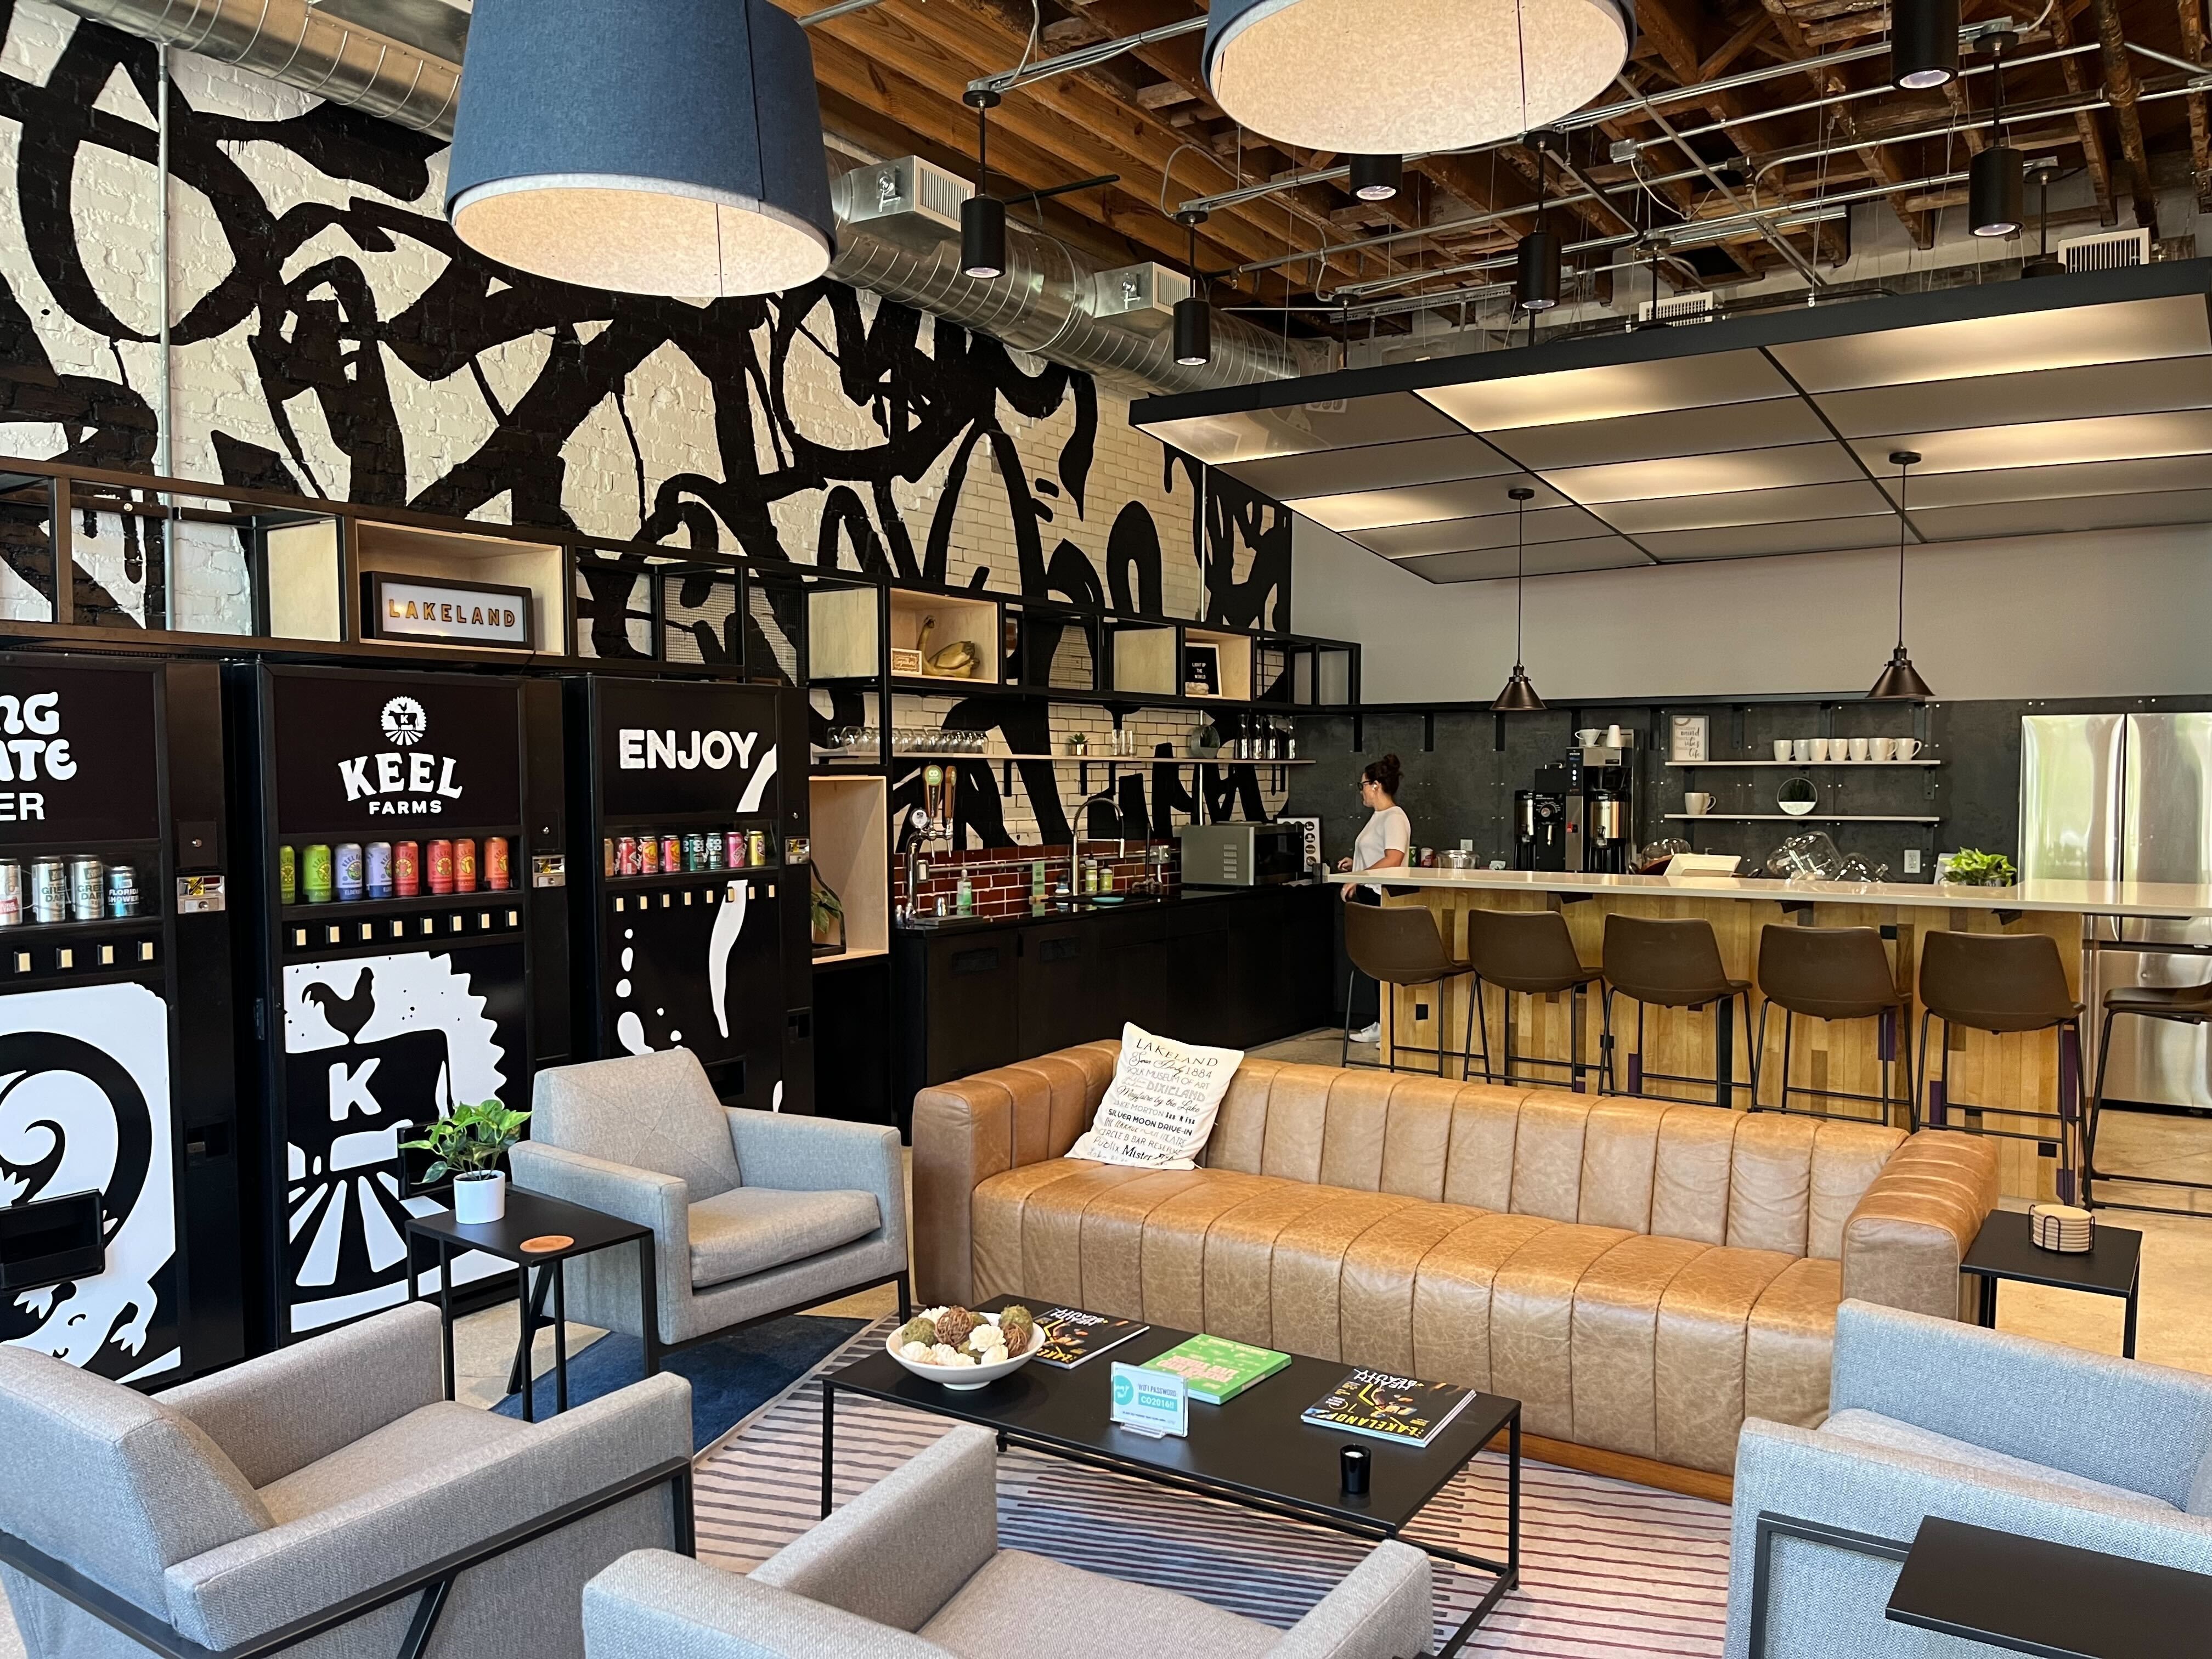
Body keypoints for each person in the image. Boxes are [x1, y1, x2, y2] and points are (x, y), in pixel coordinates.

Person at [1336, 753, 1410, 1045]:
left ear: (1376, 785)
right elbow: (1378, 854)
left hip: (1383, 897)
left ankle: (1390, 1026)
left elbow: (1394, 858)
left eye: (1363, 785)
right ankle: (1382, 1023)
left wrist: (1359, 876)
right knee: (1375, 963)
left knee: (1383, 962)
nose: (1362, 791)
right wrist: (1354, 864)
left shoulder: (1394, 817)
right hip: (1370, 894)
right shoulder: (1379, 817)